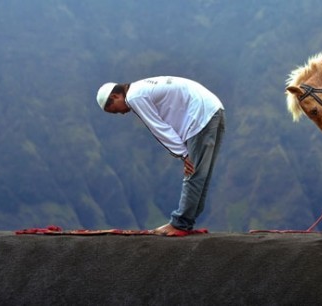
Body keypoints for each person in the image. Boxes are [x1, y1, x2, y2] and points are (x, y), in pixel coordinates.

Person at [95, 76, 225, 235]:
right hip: (214, 109)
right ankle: (188, 220)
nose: (121, 114)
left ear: (115, 96)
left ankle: (180, 224)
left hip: (200, 114)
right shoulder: (140, 87)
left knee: (193, 171)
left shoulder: (134, 97)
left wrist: (183, 154)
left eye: (115, 110)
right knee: (202, 173)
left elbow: (158, 127)